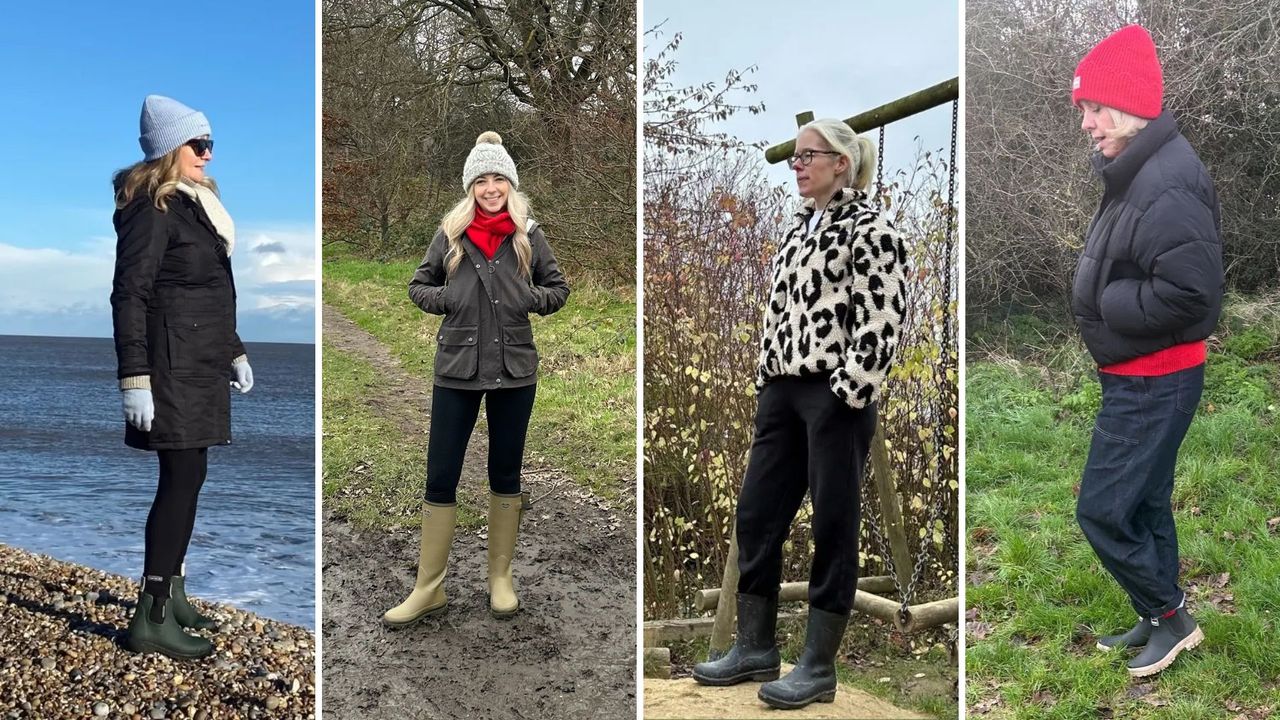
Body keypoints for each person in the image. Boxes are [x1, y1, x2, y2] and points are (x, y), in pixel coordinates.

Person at [692, 118, 911, 709]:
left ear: (840, 162)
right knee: (756, 516)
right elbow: (779, 314)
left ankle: (817, 666)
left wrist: (848, 390)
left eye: (807, 155)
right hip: (781, 394)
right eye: (794, 156)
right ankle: (755, 647)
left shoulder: (872, 226)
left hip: (833, 397)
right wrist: (766, 377)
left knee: (834, 526)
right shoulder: (798, 228)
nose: (797, 164)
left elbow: (884, 316)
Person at [1069, 25, 1222, 678]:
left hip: (1154, 383)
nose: (1087, 122)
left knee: (1102, 510)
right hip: (1141, 379)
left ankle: (1172, 619)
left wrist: (1111, 304)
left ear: (1130, 104)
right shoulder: (1141, 168)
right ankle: (1156, 612)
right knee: (1145, 503)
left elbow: (1193, 297)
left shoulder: (1165, 180)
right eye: (1083, 109)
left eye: (1096, 107)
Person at [384, 131, 569, 626]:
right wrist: (449, 301)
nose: (491, 189)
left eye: (498, 180)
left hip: (515, 369)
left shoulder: (529, 233)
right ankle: (429, 588)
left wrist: (527, 299)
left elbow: (557, 289)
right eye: (481, 181)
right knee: (440, 473)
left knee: (506, 473)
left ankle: (500, 579)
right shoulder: (449, 233)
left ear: (511, 184)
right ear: (470, 188)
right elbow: (418, 286)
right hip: (457, 368)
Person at [111, 95, 254, 659]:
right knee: (178, 481)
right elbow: (131, 294)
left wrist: (234, 351)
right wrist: (135, 378)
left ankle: (173, 593)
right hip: (170, 368)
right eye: (199, 145)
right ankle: (151, 617)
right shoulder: (153, 209)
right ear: (172, 148)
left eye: (211, 145)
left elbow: (208, 293)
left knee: (190, 478)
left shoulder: (193, 206)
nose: (209, 156)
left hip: (199, 363)